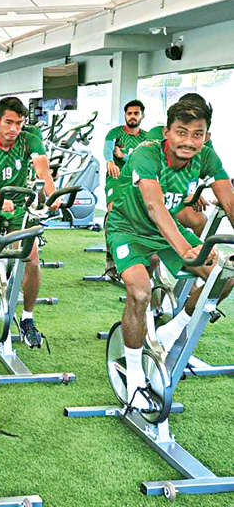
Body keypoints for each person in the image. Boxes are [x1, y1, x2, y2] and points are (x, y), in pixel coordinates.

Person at [107, 100, 233, 411]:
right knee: (140, 292)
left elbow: (229, 200)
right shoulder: (146, 153)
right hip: (128, 229)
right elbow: (154, 206)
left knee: (224, 276)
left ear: (206, 137)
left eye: (197, 134)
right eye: (181, 132)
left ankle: (170, 331)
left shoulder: (206, 156)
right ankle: (134, 376)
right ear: (167, 132)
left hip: (167, 230)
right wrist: (185, 249)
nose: (189, 141)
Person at [0, 96, 60, 349]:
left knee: (32, 258)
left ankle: (28, 317)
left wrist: (52, 195)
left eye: (19, 123)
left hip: (19, 206)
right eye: (8, 122)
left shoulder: (30, 139)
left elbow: (42, 170)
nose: (14, 129)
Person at [147, 93, 214, 237]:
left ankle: (203, 251)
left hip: (179, 199)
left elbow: (211, 174)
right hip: (154, 196)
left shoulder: (205, 144)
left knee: (200, 221)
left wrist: (195, 193)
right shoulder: (155, 136)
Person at [102, 100, 150, 277]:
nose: (132, 117)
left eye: (136, 113)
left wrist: (124, 156)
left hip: (137, 180)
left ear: (142, 115)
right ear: (125, 115)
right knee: (113, 212)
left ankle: (137, 258)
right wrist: (110, 161)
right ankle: (110, 260)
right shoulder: (115, 133)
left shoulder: (147, 137)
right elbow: (108, 150)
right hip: (116, 178)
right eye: (129, 113)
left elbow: (144, 160)